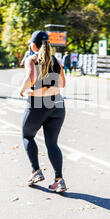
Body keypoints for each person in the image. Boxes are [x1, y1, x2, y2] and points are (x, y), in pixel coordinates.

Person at [19, 31, 67, 193]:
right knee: (52, 143)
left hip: (38, 104)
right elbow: (63, 83)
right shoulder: (56, 60)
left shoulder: (31, 59)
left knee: (27, 135)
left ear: (33, 45)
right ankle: (59, 180)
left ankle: (36, 171)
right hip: (58, 104)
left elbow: (30, 79)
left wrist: (23, 90)